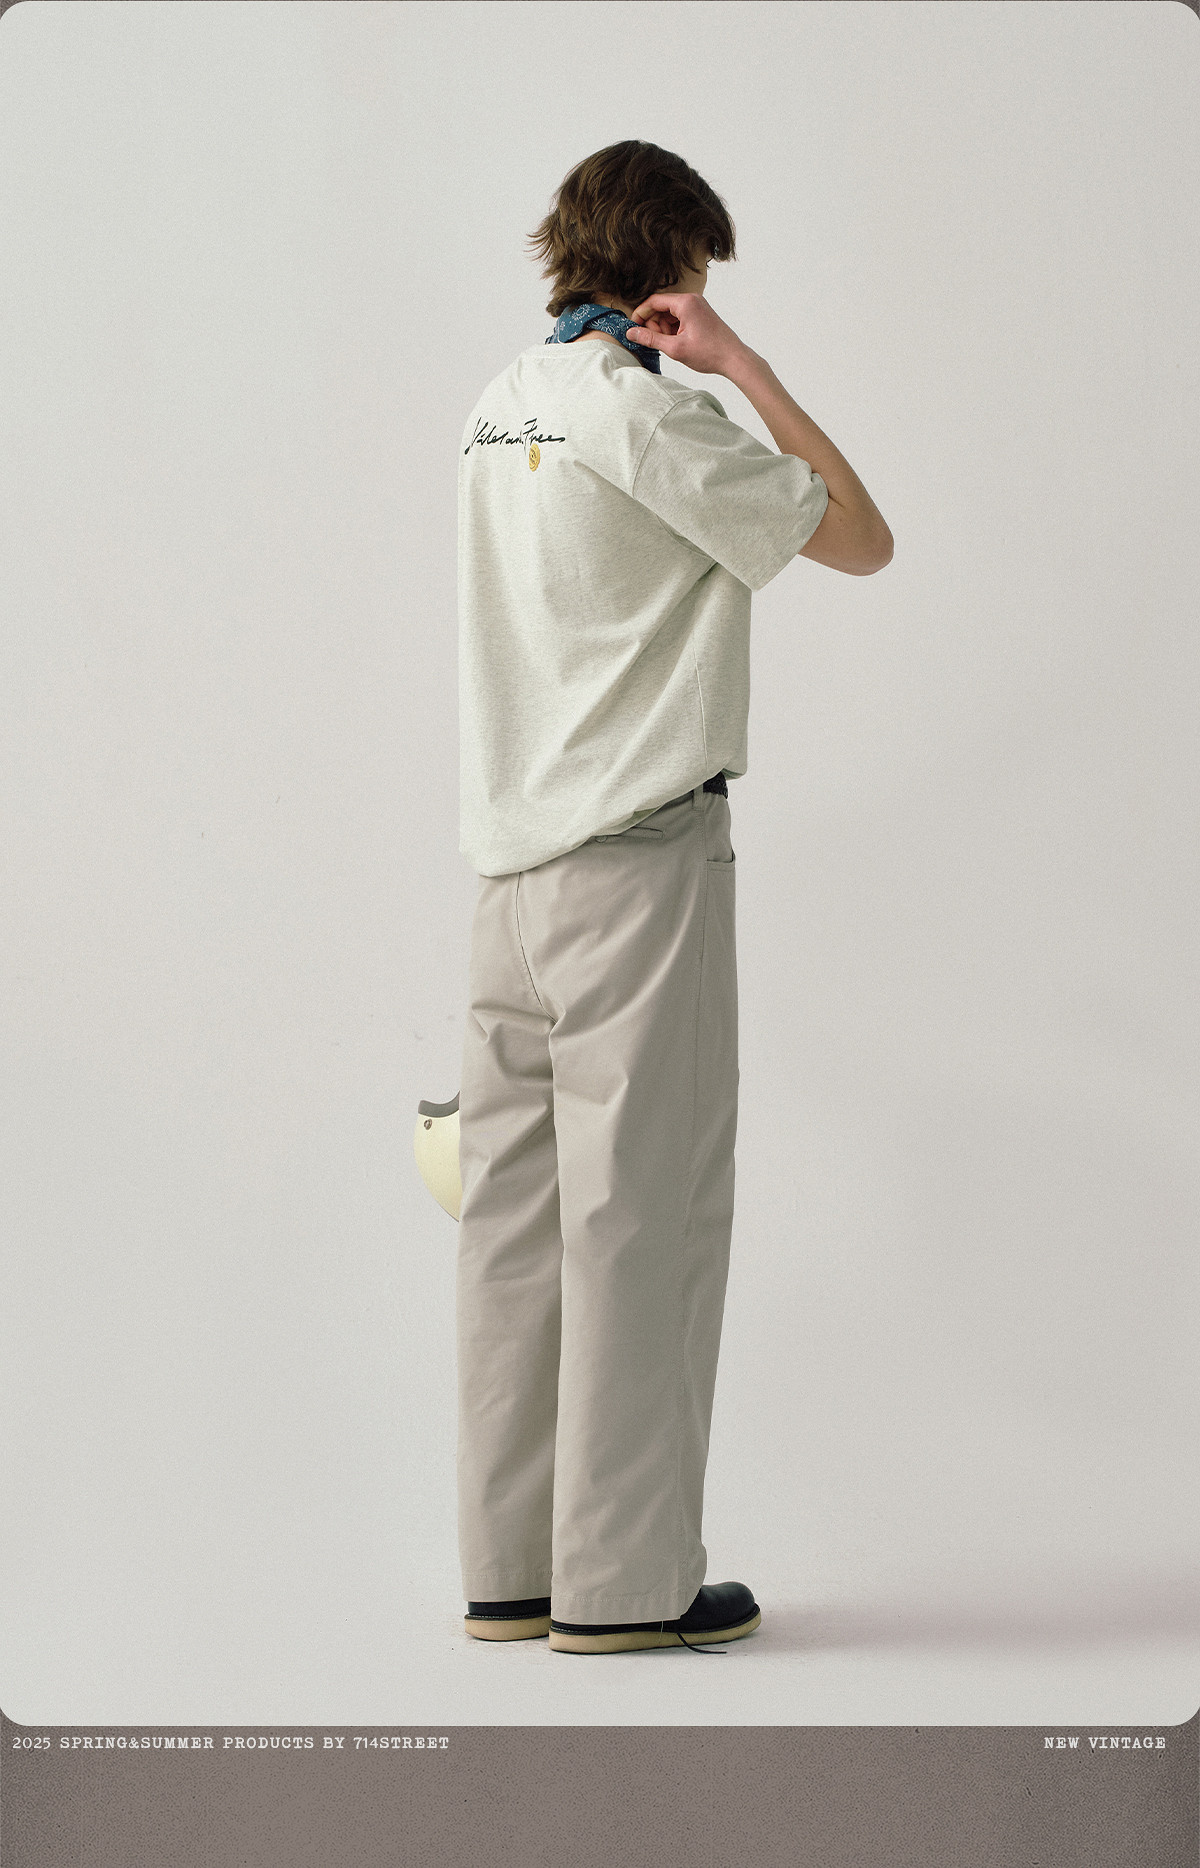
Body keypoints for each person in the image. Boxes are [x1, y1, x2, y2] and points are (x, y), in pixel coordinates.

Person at [454, 141, 891, 1656]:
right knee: (642, 1221)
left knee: (511, 1231)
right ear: (676, 273)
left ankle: (511, 1575)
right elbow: (859, 537)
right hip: (635, 869)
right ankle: (626, 1591)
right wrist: (742, 366)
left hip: (507, 876)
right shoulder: (655, 417)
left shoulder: (497, 403)